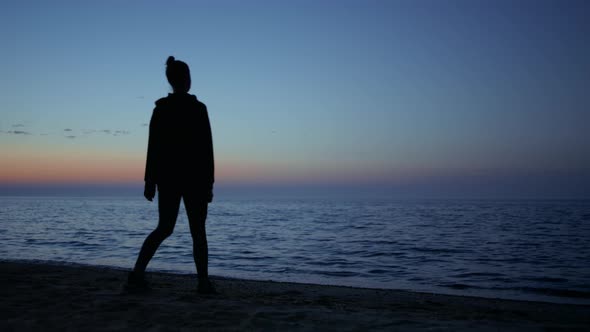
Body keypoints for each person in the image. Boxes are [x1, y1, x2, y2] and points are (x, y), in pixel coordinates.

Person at [127, 56, 216, 294]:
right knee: (196, 231)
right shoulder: (193, 109)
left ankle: (138, 275)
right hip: (190, 179)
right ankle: (203, 283)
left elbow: (153, 148)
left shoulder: (165, 109)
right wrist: (208, 183)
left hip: (171, 179)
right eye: (186, 77)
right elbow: (206, 150)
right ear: (183, 79)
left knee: (168, 228)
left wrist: (150, 181)